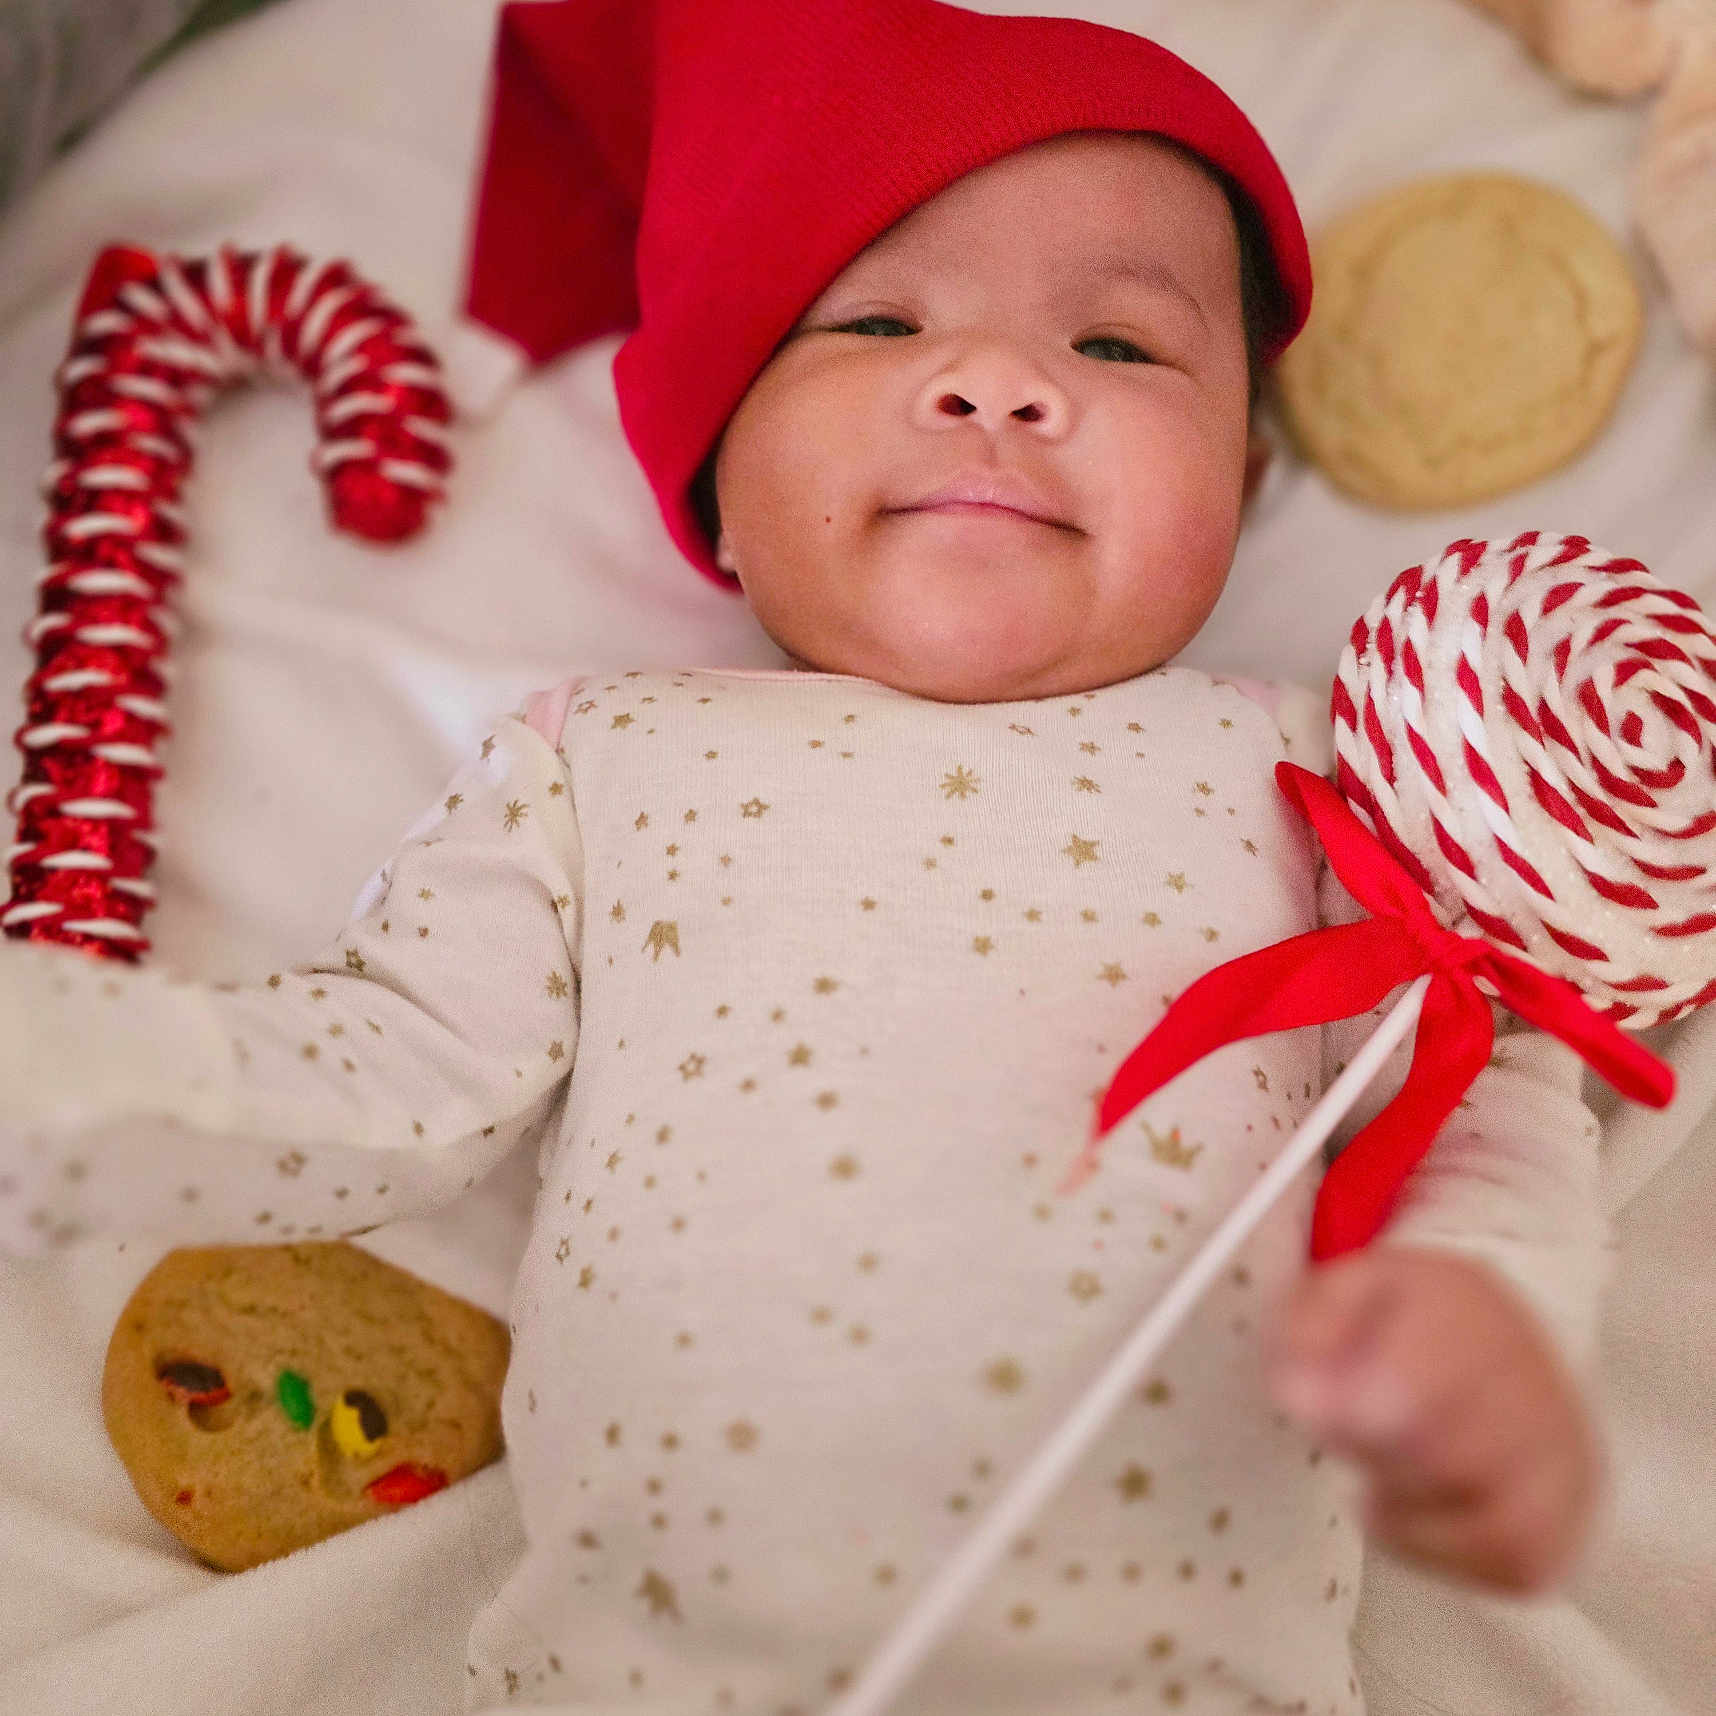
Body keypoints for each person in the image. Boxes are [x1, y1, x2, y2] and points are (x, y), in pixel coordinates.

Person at [1, 1, 1605, 1710]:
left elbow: (1472, 1076)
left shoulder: (1314, 771)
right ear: (718, 479)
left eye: (1120, 345)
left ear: (1244, 469)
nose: (1001, 382)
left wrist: (1492, 1313)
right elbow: (393, 1075)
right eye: (880, 320)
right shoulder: (601, 753)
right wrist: (78, 1070)